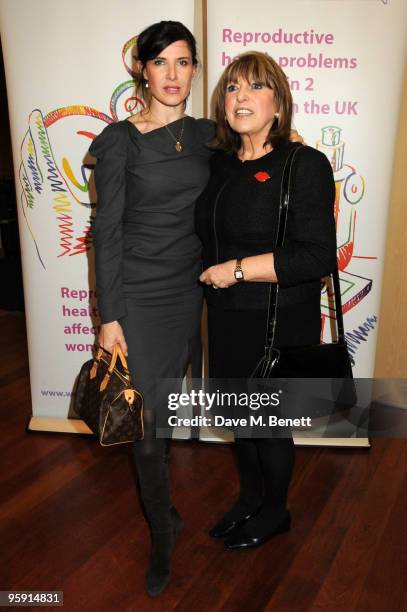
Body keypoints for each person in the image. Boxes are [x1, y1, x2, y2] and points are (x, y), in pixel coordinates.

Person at [89, 23, 303, 596]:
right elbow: (104, 233)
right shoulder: (120, 141)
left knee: (187, 406)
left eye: (185, 63)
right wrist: (110, 315)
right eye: (161, 63)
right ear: (142, 69)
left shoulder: (211, 134)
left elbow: (258, 179)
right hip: (137, 296)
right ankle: (164, 529)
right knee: (148, 430)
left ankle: (248, 505)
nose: (174, 75)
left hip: (196, 292)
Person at [195, 51, 337, 550]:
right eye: (232, 88)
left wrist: (236, 271)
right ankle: (248, 499)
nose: (241, 97)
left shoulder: (305, 164)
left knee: (269, 425)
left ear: (278, 103)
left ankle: (276, 511)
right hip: (227, 317)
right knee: (240, 421)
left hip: (278, 319)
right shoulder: (218, 164)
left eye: (255, 86)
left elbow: (316, 255)